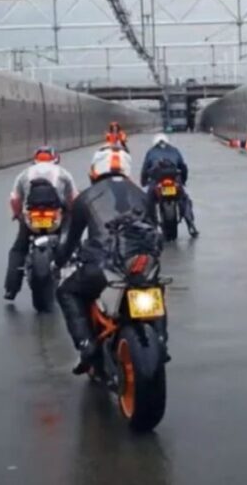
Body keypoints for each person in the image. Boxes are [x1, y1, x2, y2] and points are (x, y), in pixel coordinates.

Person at [55, 145, 162, 374]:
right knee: (154, 286)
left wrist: (58, 262)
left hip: (104, 268)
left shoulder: (85, 198)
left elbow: (70, 241)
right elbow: (155, 231)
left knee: (66, 291)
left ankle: (86, 345)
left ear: (95, 170)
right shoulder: (142, 195)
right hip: (140, 265)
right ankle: (161, 338)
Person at [4, 145, 77, 301]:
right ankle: (76, 282)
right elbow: (73, 199)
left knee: (19, 249)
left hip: (31, 218)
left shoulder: (24, 174)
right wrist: (71, 212)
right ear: (55, 158)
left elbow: (15, 199)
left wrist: (18, 215)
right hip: (56, 217)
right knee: (72, 244)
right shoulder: (63, 174)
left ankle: (11, 288)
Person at [140, 133, 199, 237]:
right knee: (184, 200)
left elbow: (145, 169)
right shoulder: (175, 150)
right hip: (174, 180)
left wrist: (143, 181)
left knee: (149, 202)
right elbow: (183, 166)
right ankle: (191, 224)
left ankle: (151, 226)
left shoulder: (151, 152)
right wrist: (183, 181)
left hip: (157, 181)